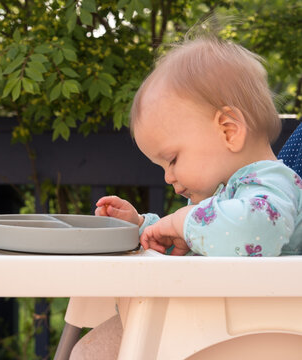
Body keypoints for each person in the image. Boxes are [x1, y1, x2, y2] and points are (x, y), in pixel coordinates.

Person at [70, 35, 302, 359]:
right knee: (85, 352)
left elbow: (259, 230)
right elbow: (191, 240)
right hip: (200, 323)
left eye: (173, 159)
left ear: (229, 130)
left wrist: (182, 222)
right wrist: (143, 227)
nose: (168, 177)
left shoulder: (271, 184)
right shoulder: (224, 195)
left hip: (251, 336)